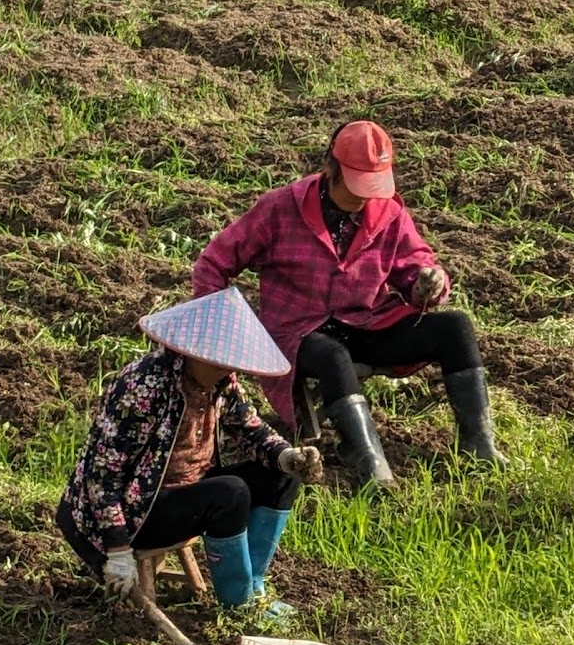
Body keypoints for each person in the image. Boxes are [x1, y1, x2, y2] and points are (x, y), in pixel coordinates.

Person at [192, 118, 497, 486]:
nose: (363, 198)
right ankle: (367, 460)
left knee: (455, 327)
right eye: (355, 187)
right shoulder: (280, 208)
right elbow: (214, 262)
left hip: (366, 321)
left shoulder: (390, 215)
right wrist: (216, 328)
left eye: (371, 188)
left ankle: (478, 447)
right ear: (330, 169)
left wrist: (428, 282)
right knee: (332, 356)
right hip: (298, 331)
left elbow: (415, 266)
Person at [57, 289, 324, 614]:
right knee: (231, 493)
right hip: (138, 508)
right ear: (194, 352)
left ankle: (253, 588)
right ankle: (239, 605)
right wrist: (117, 546)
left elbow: (249, 428)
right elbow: (103, 474)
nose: (227, 370)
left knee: (283, 477)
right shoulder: (144, 388)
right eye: (220, 362)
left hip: (189, 489)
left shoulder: (221, 383)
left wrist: (286, 456)